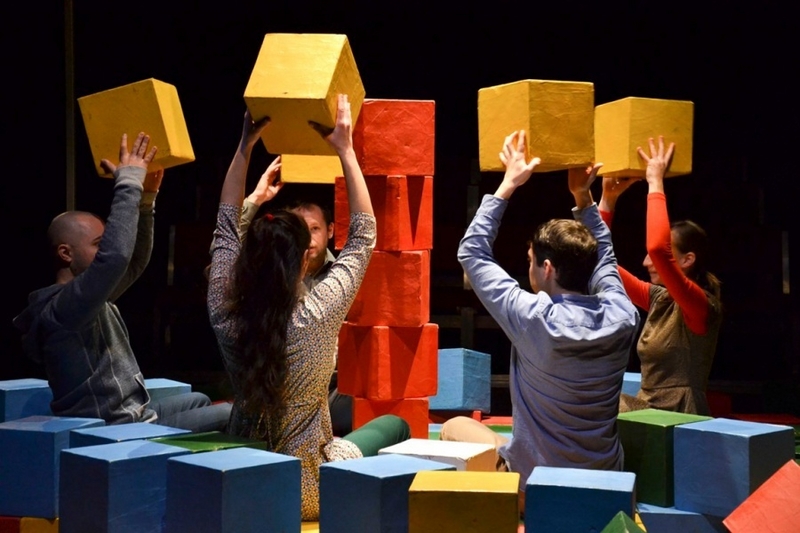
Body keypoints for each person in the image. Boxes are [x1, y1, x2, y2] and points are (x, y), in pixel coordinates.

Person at [207, 95, 410, 521]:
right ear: (303, 259)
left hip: (243, 483)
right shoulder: (315, 314)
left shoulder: (226, 313)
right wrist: (345, 150)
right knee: (394, 425)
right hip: (308, 491)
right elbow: (363, 237)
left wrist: (244, 147)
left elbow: (226, 227)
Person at [441, 130, 640, 509]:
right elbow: (606, 258)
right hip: (608, 486)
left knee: (454, 428)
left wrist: (508, 185)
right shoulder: (622, 314)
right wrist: (583, 197)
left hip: (537, 490)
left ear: (547, 268)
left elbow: (472, 252)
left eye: (531, 260)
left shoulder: (534, 317)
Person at [13, 132, 231, 432]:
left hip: (135, 415)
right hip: (113, 428)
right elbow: (115, 258)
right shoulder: (65, 308)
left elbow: (133, 261)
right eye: (97, 244)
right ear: (65, 253)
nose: (104, 250)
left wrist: (146, 202)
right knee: (230, 413)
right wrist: (128, 183)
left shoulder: (88, 299)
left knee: (199, 399)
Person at [598, 136, 722, 415]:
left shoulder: (700, 305)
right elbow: (598, 261)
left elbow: (657, 248)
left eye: (655, 259)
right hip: (646, 407)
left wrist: (655, 181)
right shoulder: (659, 298)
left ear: (687, 260)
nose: (646, 262)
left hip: (678, 414)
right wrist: (608, 200)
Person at [237, 179, 352, 435]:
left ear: (330, 230)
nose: (308, 239)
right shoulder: (266, 280)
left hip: (330, 385)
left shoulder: (340, 279)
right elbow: (226, 255)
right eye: (300, 231)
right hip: (275, 386)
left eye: (314, 228)